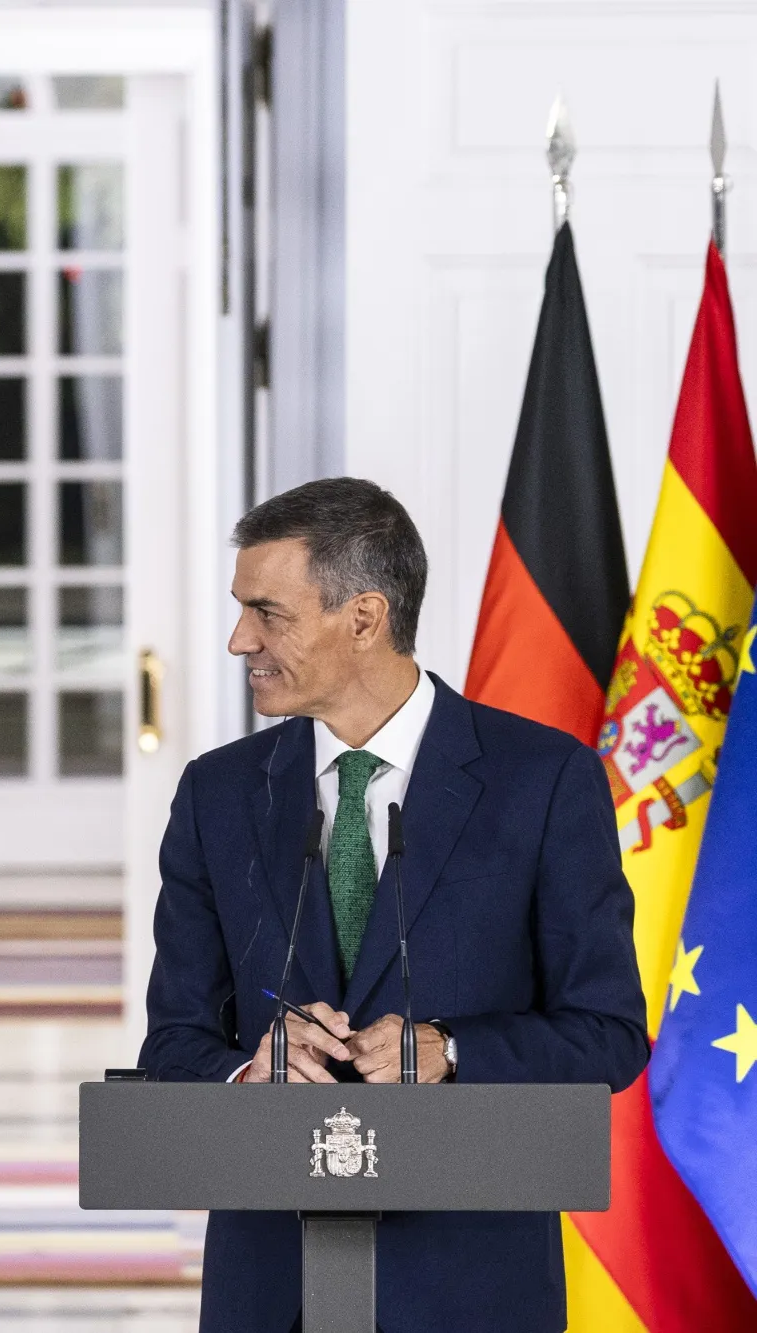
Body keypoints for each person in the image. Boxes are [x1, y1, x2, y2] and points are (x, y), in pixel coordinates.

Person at [138, 477, 647, 1333]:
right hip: (272, 1291)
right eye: (241, 610)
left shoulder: (546, 781)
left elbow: (609, 1034)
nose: (239, 639)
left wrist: (453, 1051)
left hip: (474, 1288)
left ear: (365, 618)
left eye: (269, 613)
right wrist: (243, 1071)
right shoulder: (215, 794)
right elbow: (172, 1039)